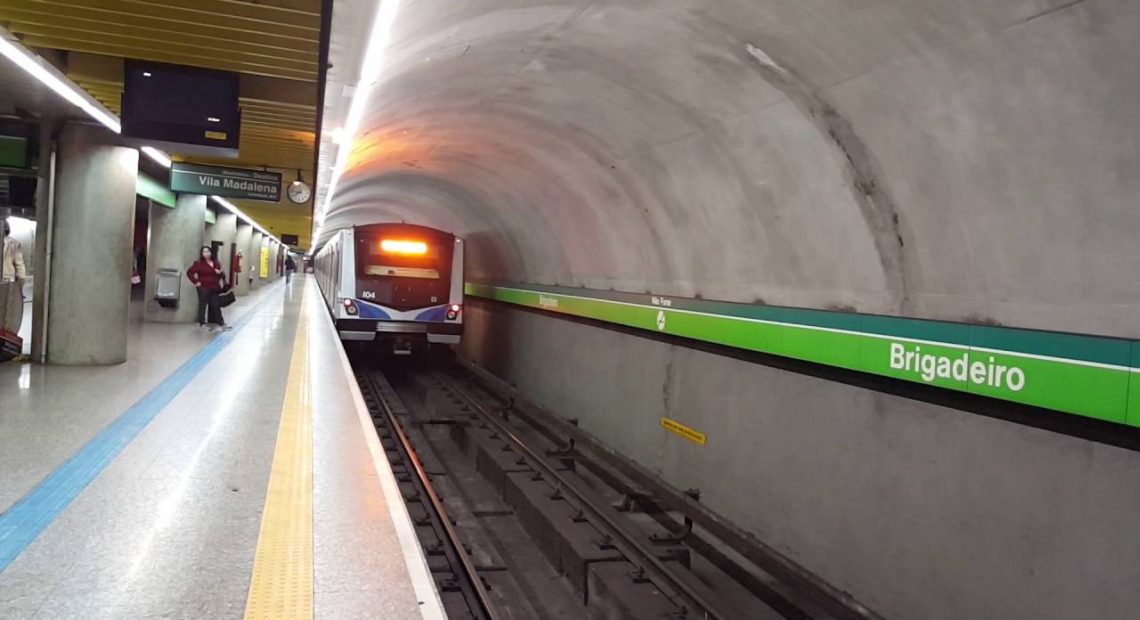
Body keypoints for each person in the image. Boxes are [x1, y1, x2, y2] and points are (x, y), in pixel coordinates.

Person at [187, 246, 231, 331]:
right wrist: (196, 281)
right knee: (203, 305)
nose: (206, 254)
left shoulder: (216, 262)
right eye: (204, 252)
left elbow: (220, 276)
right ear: (202, 254)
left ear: (211, 253)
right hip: (203, 287)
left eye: (208, 251)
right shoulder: (198, 263)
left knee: (216, 304)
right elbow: (189, 272)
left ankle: (221, 322)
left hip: (214, 287)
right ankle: (202, 323)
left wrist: (219, 273)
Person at [1, 218, 27, 336]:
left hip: (8, 283)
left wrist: (19, 284)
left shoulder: (14, 245)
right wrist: (19, 288)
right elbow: (20, 267)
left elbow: (20, 268)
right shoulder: (15, 244)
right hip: (8, 285)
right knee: (6, 313)